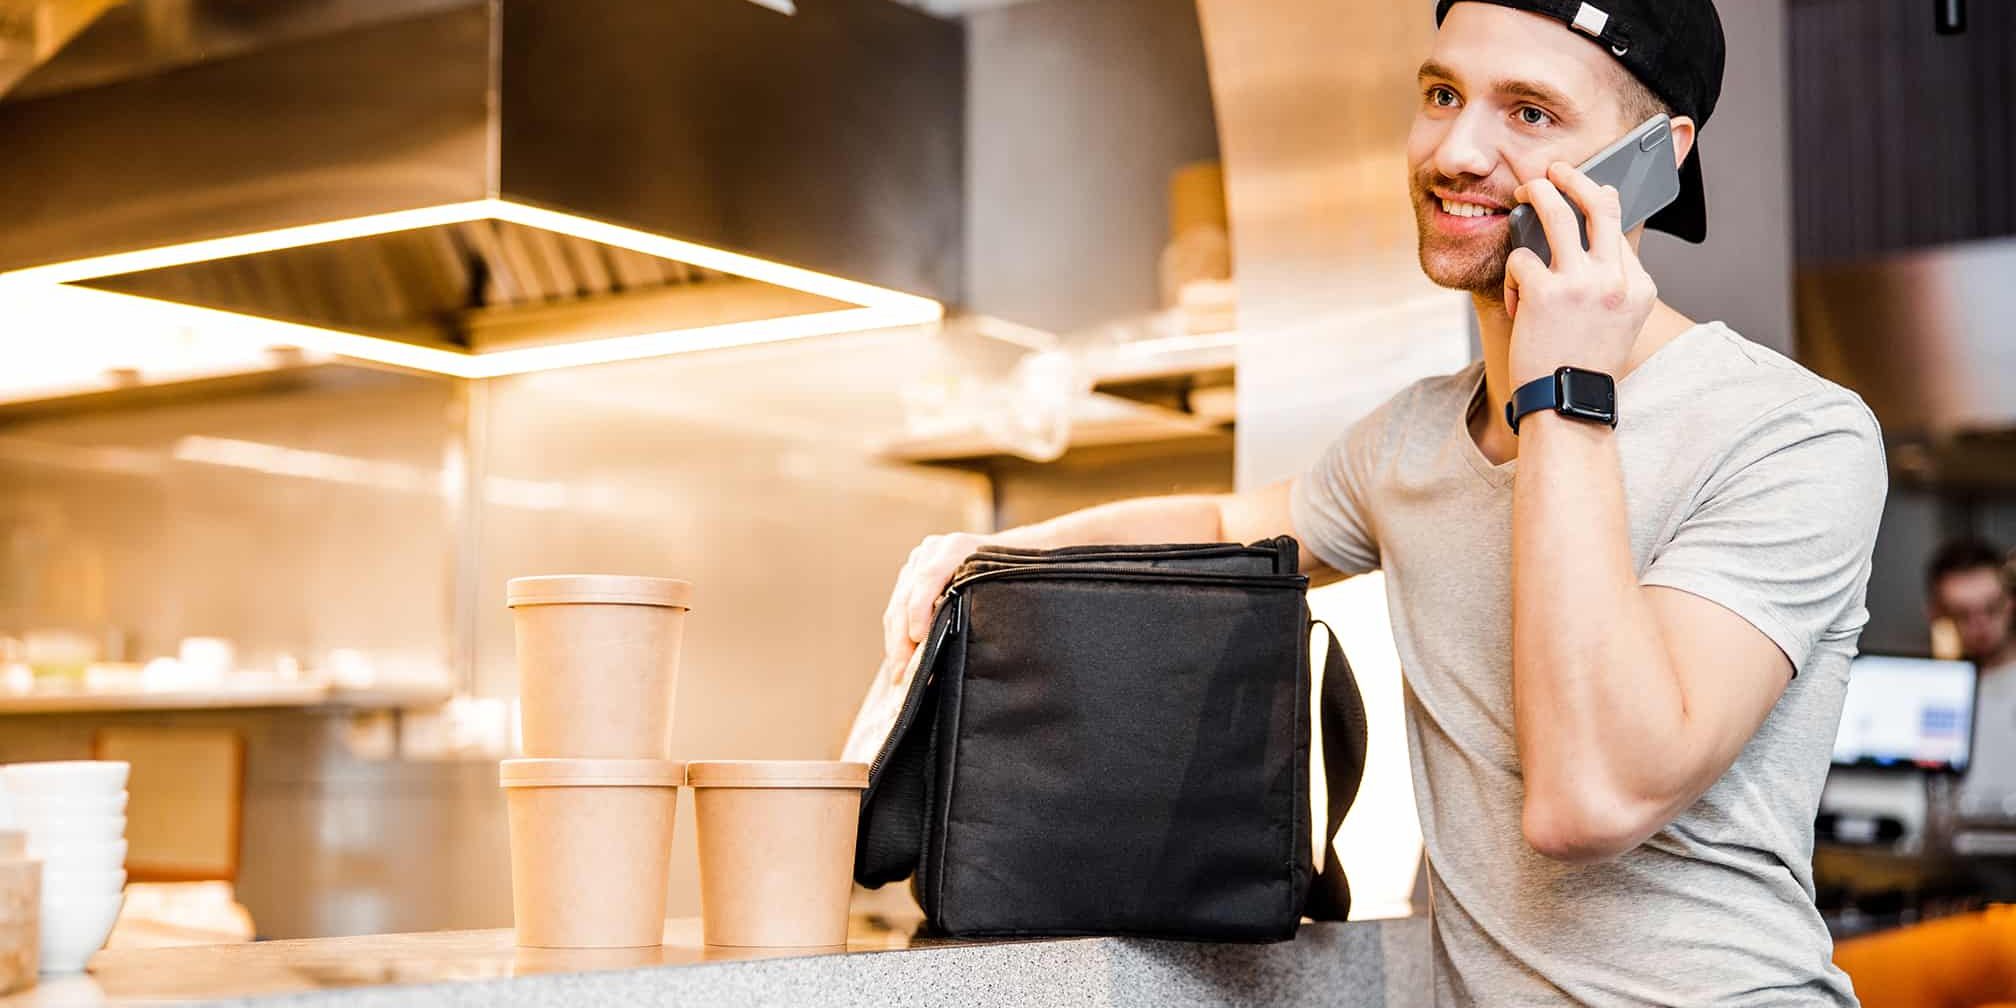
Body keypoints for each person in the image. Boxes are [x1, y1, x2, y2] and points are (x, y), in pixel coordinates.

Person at [877, 1, 1887, 1003]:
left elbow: (1593, 799)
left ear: (1653, 159)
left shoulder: (1790, 435)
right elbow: (1233, 528)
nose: (1456, 149)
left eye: (1530, 113)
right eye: (1442, 94)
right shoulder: (1411, 438)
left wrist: (1564, 391)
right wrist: (995, 551)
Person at [1925, 539, 2016, 826]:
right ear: (1936, 614)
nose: (1979, 625)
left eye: (1991, 608)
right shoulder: (1923, 690)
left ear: (2011, 603)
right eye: (1963, 614)